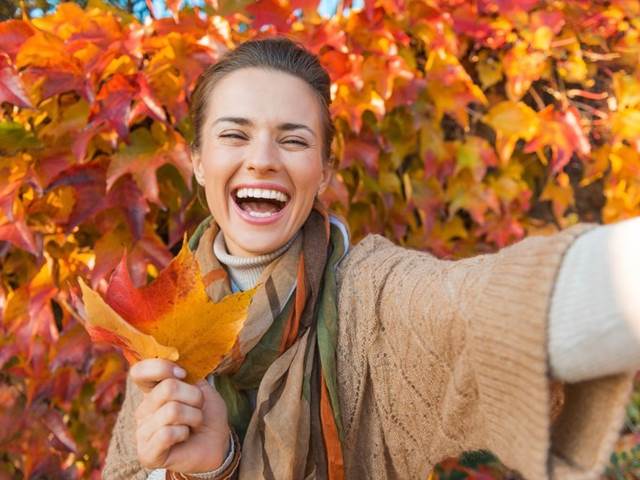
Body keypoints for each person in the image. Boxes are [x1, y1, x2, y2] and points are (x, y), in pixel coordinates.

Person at [102, 37, 640, 480]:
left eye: (293, 140)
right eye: (234, 135)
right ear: (197, 161)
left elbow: (477, 307)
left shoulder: (372, 299)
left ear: (325, 170)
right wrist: (207, 469)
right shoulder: (164, 320)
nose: (262, 160)